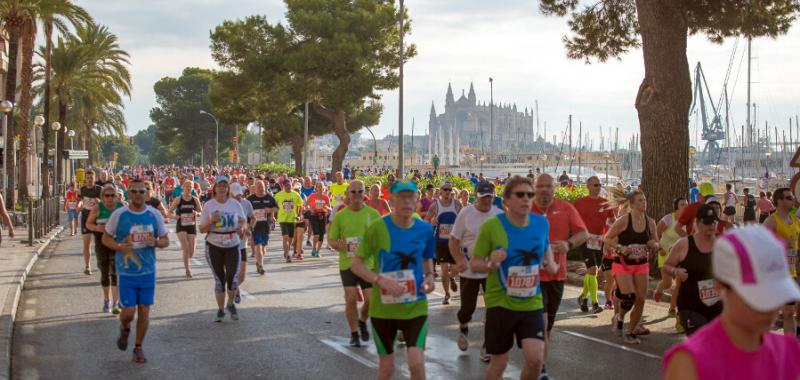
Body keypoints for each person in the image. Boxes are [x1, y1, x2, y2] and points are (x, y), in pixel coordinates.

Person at [662, 226, 800, 380]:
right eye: (757, 297)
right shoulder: (689, 361)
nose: (769, 308)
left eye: (776, 294)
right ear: (720, 286)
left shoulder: (788, 352)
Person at [470, 176, 559, 380]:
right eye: (520, 194)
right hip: (500, 304)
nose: (526, 199)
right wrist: (491, 263)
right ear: (506, 201)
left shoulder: (540, 223)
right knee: (499, 362)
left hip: (531, 303)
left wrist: (551, 264)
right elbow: (475, 264)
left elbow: (545, 250)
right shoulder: (492, 226)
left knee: (536, 359)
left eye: (530, 195)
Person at [350, 180, 436, 380]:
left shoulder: (424, 230)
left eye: (411, 197)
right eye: (401, 197)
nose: (407, 202)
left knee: (416, 364)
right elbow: (356, 264)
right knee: (387, 369)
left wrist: (430, 276)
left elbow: (426, 258)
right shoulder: (378, 228)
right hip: (384, 309)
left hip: (415, 306)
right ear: (392, 200)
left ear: (417, 200)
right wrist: (379, 280)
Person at [102, 178, 169, 363]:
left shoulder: (154, 215)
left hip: (148, 272)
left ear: (146, 193)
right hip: (126, 272)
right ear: (129, 193)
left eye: (142, 191)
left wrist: (154, 242)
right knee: (129, 312)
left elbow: (165, 240)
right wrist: (119, 246)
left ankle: (138, 347)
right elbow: (105, 238)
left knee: (145, 311)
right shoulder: (119, 214)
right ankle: (124, 328)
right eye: (135, 191)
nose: (138, 195)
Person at [530, 174, 587, 379]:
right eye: (540, 186)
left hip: (557, 276)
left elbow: (583, 233)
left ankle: (539, 356)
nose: (544, 190)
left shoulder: (565, 208)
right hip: (532, 278)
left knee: (548, 326)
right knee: (541, 324)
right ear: (534, 188)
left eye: (548, 186)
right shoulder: (527, 210)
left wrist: (568, 245)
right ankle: (541, 369)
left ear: (554, 188)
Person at [450, 181, 502, 361]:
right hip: (470, 269)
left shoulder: (499, 215)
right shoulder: (466, 213)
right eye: (482, 197)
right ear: (476, 197)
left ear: (494, 196)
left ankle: (488, 345)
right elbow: (454, 240)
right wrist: (459, 260)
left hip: (491, 271)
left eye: (489, 197)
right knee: (467, 309)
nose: (486, 201)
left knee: (493, 309)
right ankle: (464, 327)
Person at [328, 180, 381, 347]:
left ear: (364, 193)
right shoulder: (341, 216)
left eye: (360, 191)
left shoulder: (373, 215)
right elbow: (331, 240)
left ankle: (362, 321)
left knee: (371, 300)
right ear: (347, 195)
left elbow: (381, 239)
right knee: (350, 298)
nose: (357, 195)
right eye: (353, 192)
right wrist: (343, 246)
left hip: (368, 264)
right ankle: (354, 333)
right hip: (348, 264)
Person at [604, 188, 659, 344]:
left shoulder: (650, 222)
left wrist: (653, 244)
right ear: (632, 204)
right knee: (629, 297)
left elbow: (656, 241)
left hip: (641, 263)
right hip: (623, 264)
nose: (644, 203)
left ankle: (630, 331)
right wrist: (621, 248)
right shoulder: (623, 221)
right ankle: (619, 316)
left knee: (641, 299)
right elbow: (607, 239)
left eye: (645, 200)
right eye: (640, 201)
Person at [658, 204, 722, 335]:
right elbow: (666, 266)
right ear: (697, 222)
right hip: (691, 306)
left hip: (717, 306)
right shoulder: (684, 244)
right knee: (701, 341)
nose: (711, 226)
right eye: (707, 222)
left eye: (714, 222)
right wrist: (676, 272)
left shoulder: (723, 244)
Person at [198, 176, 247, 322]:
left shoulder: (234, 204)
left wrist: (242, 229)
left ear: (228, 189)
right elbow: (201, 229)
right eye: (219, 185)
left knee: (232, 278)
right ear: (215, 188)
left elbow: (243, 221)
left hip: (232, 244)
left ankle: (230, 304)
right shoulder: (209, 205)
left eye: (225, 185)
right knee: (220, 280)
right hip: (214, 245)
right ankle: (220, 310)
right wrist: (212, 221)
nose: (222, 188)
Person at [572, 176, 616, 314]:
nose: (598, 187)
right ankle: (595, 303)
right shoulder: (579, 203)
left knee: (594, 272)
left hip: (599, 241)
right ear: (588, 186)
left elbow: (613, 220)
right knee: (592, 270)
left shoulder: (605, 203)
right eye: (595, 185)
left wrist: (612, 236)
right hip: (585, 239)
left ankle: (583, 298)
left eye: (599, 185)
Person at [761, 188, 799, 338]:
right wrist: (781, 243)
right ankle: (762, 347)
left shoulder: (796, 221)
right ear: (779, 201)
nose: (793, 200)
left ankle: (790, 348)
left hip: (791, 273)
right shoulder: (771, 221)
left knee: (789, 313)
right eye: (789, 198)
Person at [86, 184, 125, 314]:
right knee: (104, 273)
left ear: (116, 197)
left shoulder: (121, 207)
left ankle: (115, 303)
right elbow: (88, 224)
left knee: (114, 272)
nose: (109, 198)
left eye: (112, 196)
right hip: (101, 243)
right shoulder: (97, 208)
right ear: (102, 197)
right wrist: (97, 228)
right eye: (107, 196)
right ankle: (106, 300)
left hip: (116, 243)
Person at [425, 181, 463, 305]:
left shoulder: (457, 204)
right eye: (445, 189)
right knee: (444, 269)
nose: (447, 192)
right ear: (440, 191)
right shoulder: (435, 206)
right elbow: (426, 221)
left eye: (449, 190)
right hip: (440, 241)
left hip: (454, 241)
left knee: (455, 269)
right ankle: (447, 294)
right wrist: (432, 221)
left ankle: (452, 277)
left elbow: (464, 218)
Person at [656, 197, 689, 325]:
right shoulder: (668, 219)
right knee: (668, 284)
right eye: (682, 205)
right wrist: (659, 247)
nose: (685, 207)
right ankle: (659, 288)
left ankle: (672, 309)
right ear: (677, 207)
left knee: (679, 285)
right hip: (665, 254)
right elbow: (656, 232)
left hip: (680, 256)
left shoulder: (689, 221)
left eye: (686, 204)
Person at [168, 180, 202, 279]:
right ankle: (188, 270)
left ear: (192, 188)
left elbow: (201, 211)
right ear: (182, 188)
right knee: (186, 247)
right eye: (186, 186)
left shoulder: (195, 199)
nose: (188, 188)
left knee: (191, 251)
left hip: (192, 226)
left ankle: (186, 259)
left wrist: (197, 214)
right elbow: (169, 212)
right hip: (181, 226)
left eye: (190, 187)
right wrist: (175, 217)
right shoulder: (178, 199)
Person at [246, 180, 277, 275]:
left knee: (263, 248)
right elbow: (245, 213)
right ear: (254, 188)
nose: (260, 188)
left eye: (262, 187)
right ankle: (261, 265)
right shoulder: (250, 199)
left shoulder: (269, 198)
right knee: (258, 246)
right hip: (254, 226)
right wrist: (247, 226)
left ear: (265, 187)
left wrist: (270, 210)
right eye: (258, 187)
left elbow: (276, 208)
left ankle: (258, 261)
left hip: (265, 226)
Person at [231, 182, 254, 304]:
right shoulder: (226, 205)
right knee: (232, 271)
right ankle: (233, 291)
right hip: (229, 244)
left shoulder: (246, 203)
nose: (238, 197)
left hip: (242, 244)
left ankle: (235, 286)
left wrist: (249, 228)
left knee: (242, 275)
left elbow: (252, 217)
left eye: (240, 194)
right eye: (236, 195)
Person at [79, 170, 104, 275]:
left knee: (100, 244)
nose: (89, 180)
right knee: (87, 243)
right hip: (85, 218)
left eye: (91, 178)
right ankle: (87, 266)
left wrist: (98, 201)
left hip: (97, 219)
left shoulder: (99, 189)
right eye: (87, 178)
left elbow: (105, 203)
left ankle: (102, 264)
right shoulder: (82, 189)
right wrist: (79, 204)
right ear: (85, 178)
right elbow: (79, 200)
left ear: (95, 178)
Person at [274, 180, 304, 262]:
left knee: (291, 238)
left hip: (292, 219)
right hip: (282, 218)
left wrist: (299, 215)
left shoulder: (295, 194)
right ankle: (287, 254)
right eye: (287, 186)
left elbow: (300, 204)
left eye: (290, 186)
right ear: (284, 187)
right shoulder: (279, 195)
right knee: (285, 237)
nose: (289, 188)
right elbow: (273, 203)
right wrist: (274, 213)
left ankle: (286, 249)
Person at [306, 182, 331, 257]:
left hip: (322, 216)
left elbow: (330, 208)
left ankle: (317, 251)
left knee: (321, 235)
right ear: (316, 188)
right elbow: (306, 205)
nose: (320, 188)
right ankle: (314, 248)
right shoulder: (312, 196)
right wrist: (311, 210)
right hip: (314, 215)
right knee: (316, 234)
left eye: (321, 186)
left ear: (324, 188)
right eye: (318, 187)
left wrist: (327, 209)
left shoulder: (326, 197)